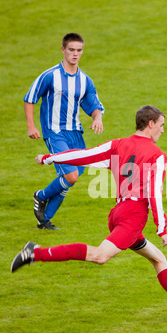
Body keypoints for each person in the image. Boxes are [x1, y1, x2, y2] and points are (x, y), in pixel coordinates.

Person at [11, 105, 167, 323]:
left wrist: (49, 158)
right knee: (100, 256)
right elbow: (154, 194)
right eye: (161, 125)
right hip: (133, 217)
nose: (163, 130)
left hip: (117, 214)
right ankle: (35, 253)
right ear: (150, 124)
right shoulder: (157, 155)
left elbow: (84, 155)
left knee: (159, 259)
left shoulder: (118, 145)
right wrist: (162, 229)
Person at [24, 32, 104, 230]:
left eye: (79, 50)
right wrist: (31, 126)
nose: (75, 54)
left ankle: (44, 220)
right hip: (55, 132)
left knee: (72, 177)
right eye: (71, 50)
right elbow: (30, 98)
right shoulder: (50, 75)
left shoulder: (85, 80)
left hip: (75, 133)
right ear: (63, 50)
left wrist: (98, 118)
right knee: (71, 176)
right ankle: (40, 196)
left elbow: (93, 104)